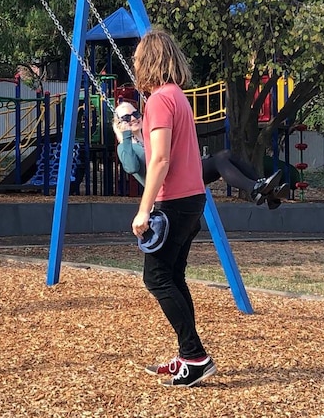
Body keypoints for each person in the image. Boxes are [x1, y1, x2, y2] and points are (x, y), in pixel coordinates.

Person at [129, 27, 215, 387]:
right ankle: (188, 354)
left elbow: (160, 159)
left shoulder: (160, 101)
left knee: (156, 277)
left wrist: (143, 209)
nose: (133, 65)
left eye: (136, 60)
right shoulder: (177, 96)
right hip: (192, 198)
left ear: (148, 62)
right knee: (173, 276)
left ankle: (196, 356)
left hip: (174, 201)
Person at [113, 101, 287, 206]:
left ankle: (265, 189)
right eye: (127, 118)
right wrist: (126, 135)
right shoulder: (125, 147)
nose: (134, 118)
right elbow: (132, 167)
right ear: (120, 124)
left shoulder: (149, 137)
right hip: (171, 184)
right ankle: (256, 189)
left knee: (226, 155)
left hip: (180, 173)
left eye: (135, 113)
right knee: (220, 159)